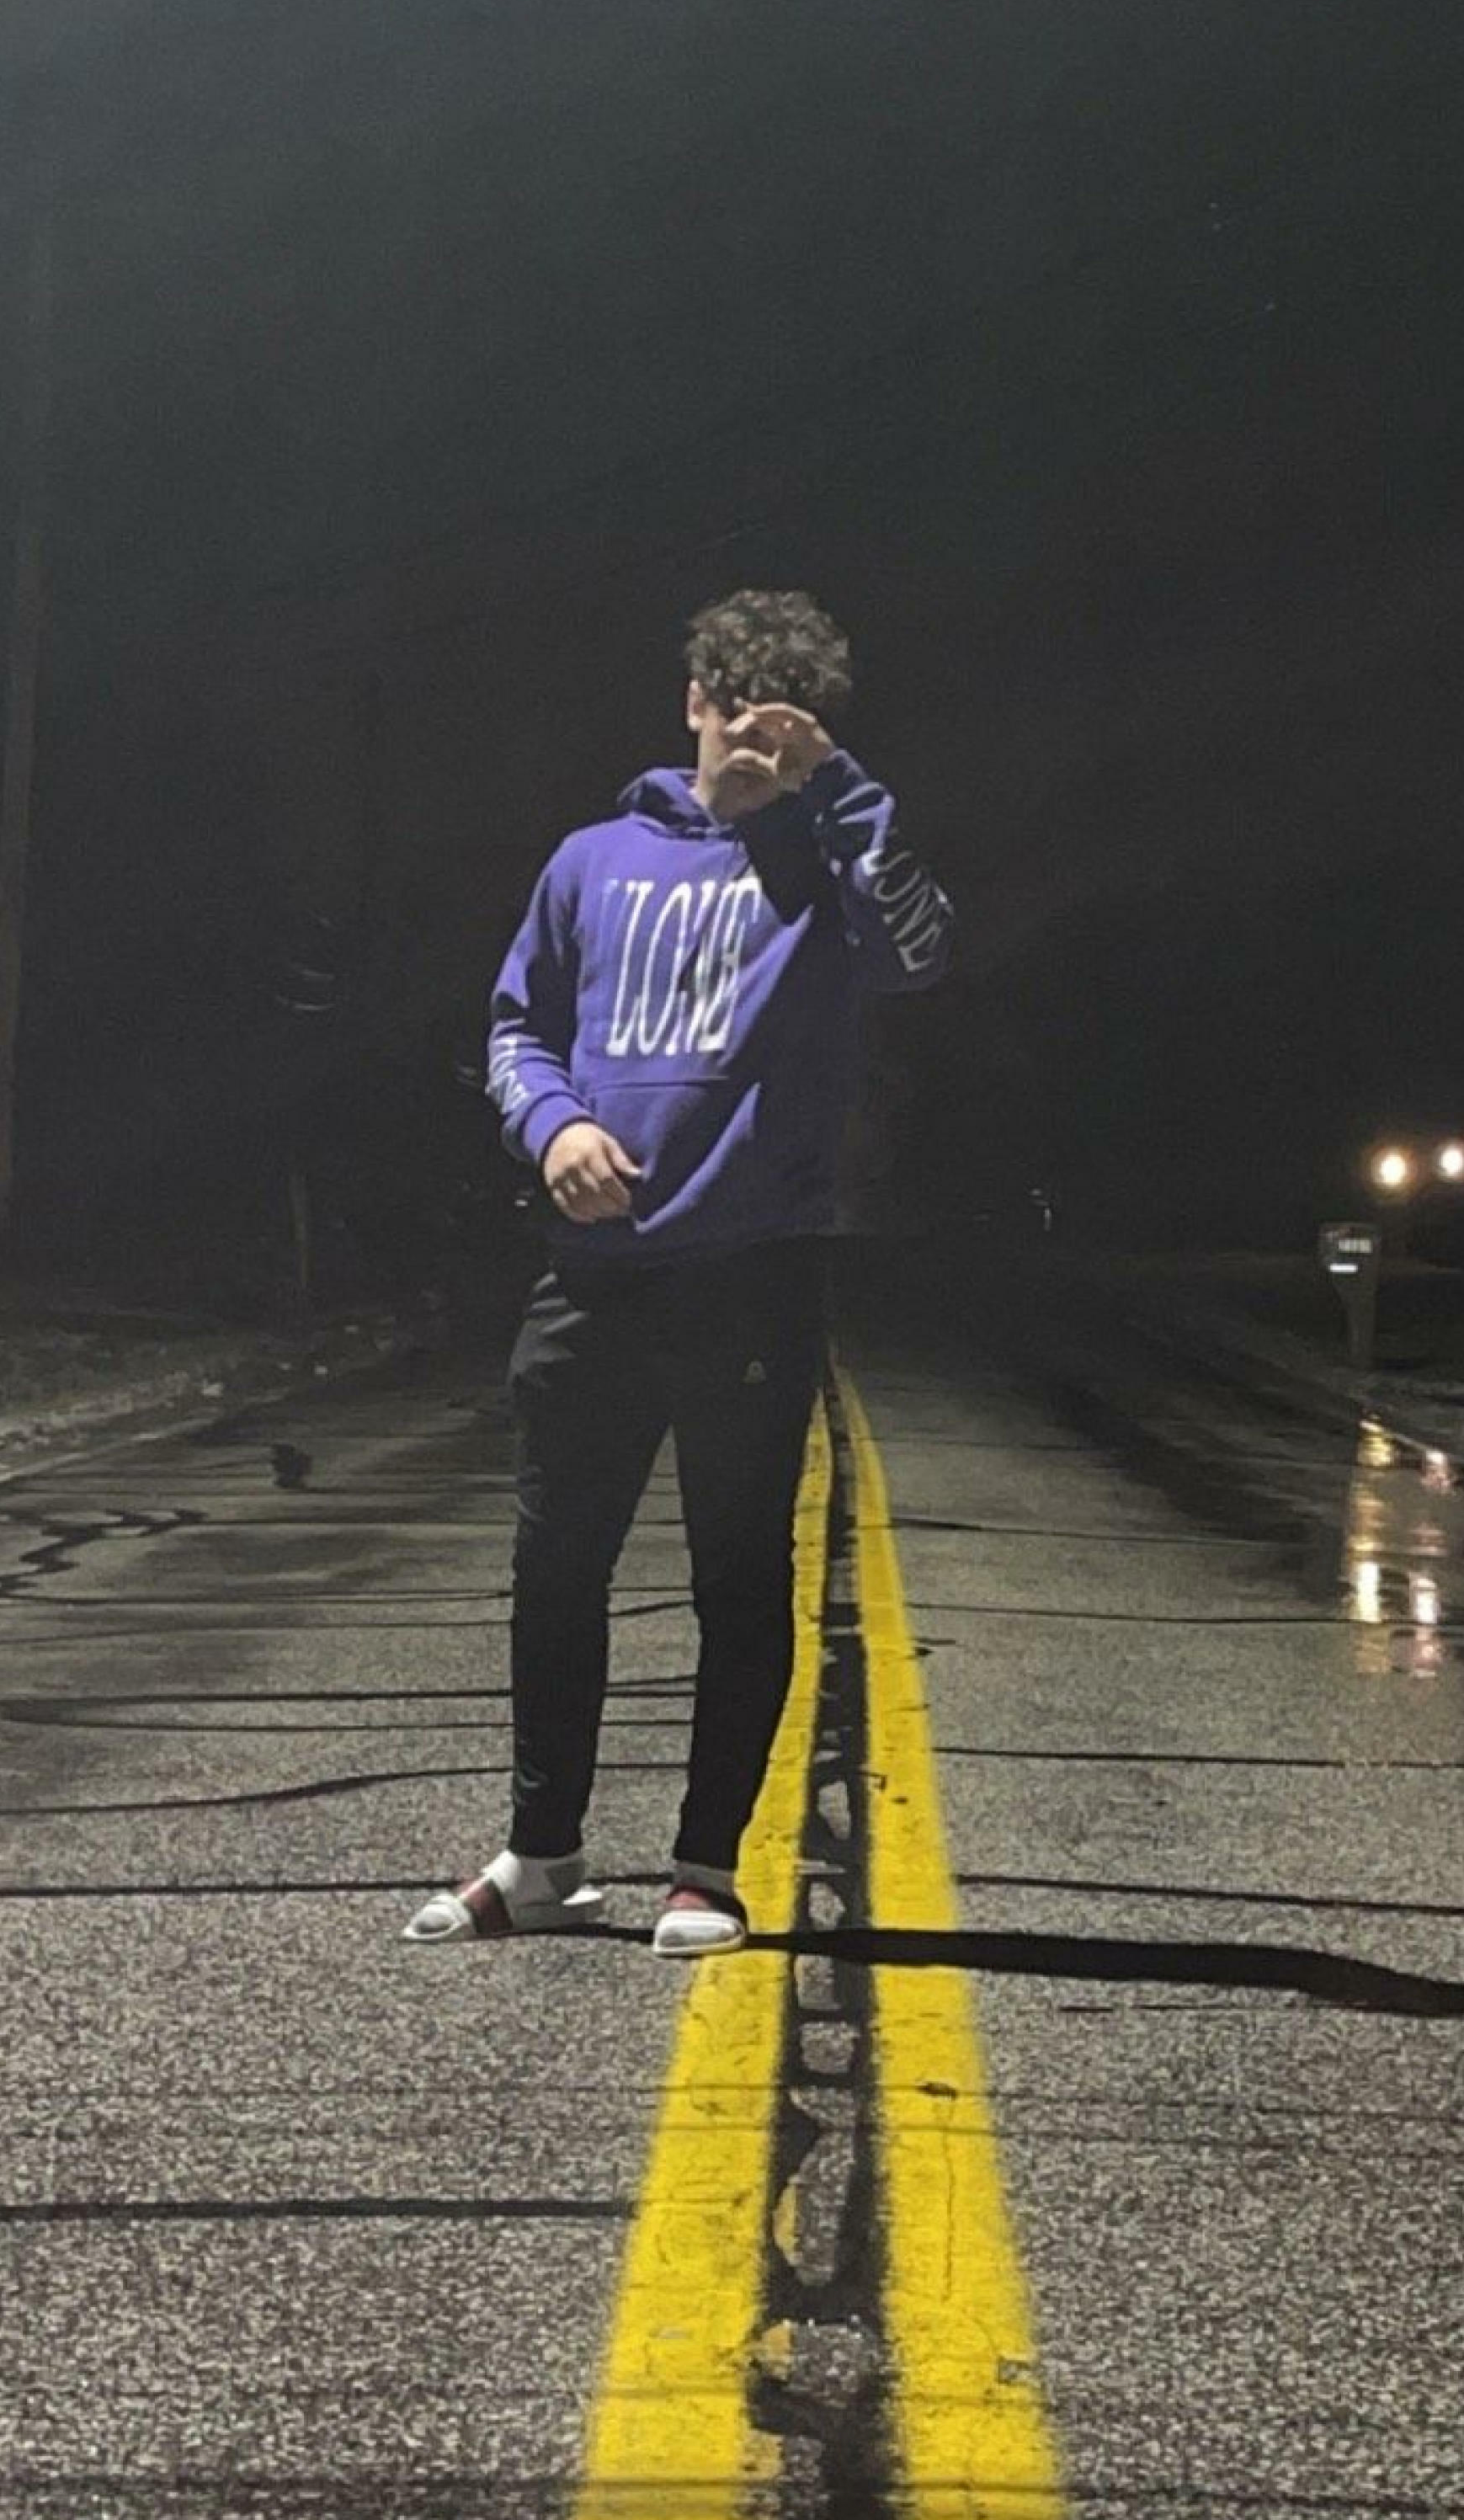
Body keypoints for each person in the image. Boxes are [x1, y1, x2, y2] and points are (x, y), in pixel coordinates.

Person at [404, 589, 952, 1956]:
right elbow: (517, 1027)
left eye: (789, 725)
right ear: (695, 703)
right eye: (738, 713)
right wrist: (555, 1127)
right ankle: (541, 1856)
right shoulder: (591, 859)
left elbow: (921, 953)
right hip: (594, 1274)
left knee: (738, 1578)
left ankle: (707, 1868)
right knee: (555, 1568)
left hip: (753, 1269)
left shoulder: (828, 865)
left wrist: (838, 792)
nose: (754, 744)